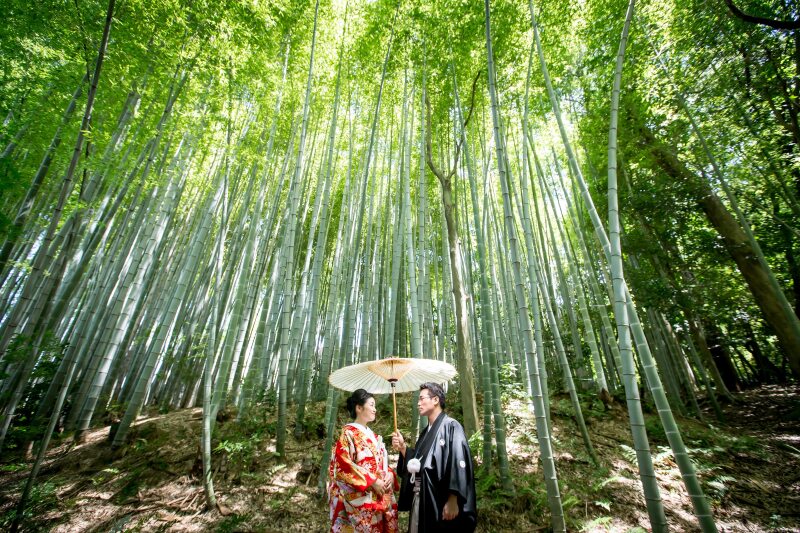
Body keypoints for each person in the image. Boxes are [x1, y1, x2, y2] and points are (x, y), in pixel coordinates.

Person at [391, 382, 477, 532]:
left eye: (422, 398)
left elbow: (458, 462)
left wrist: (453, 499)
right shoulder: (425, 433)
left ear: (435, 400)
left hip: (442, 499)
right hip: (422, 497)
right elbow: (417, 464)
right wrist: (403, 447)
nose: (418, 403)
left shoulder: (451, 426)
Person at [328, 389, 399, 533]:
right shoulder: (348, 434)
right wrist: (372, 481)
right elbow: (342, 467)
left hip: (378, 495)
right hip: (359, 500)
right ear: (359, 408)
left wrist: (390, 474)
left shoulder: (374, 436)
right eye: (372, 405)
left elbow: (381, 464)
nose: (375, 409)